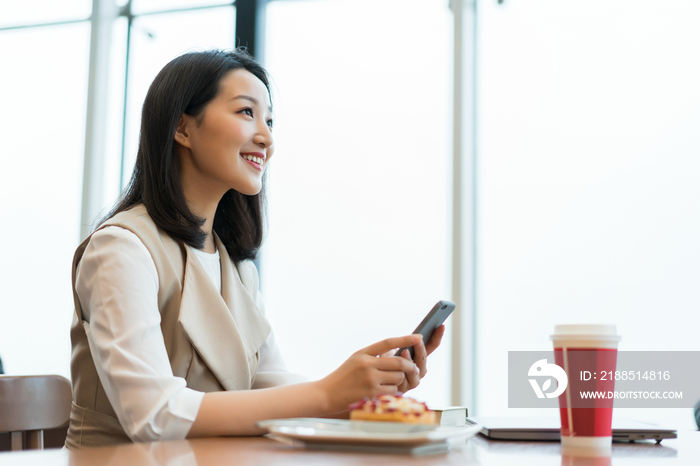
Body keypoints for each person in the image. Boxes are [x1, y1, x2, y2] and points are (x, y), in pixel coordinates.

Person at [65, 49, 445, 449]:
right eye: (246, 112)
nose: (266, 136)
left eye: (269, 120)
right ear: (182, 128)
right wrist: (329, 393)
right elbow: (154, 414)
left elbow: (268, 381)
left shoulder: (237, 267)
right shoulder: (121, 249)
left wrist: (365, 391)